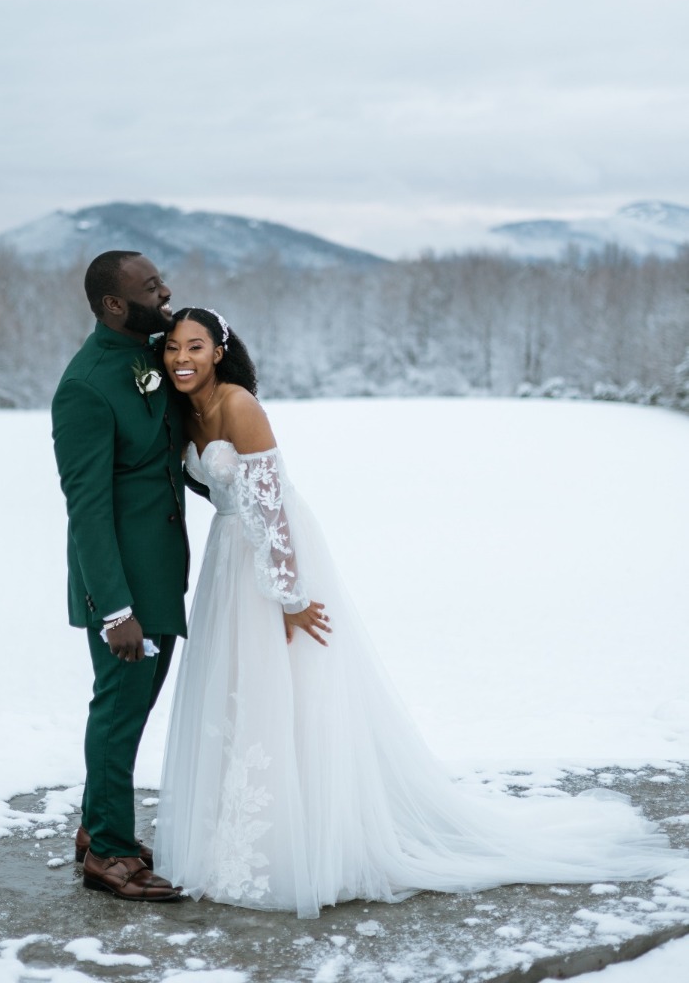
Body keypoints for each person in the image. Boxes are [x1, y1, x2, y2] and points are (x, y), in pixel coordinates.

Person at [154, 308, 684, 919]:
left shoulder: (241, 405)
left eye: (194, 346)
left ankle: (296, 845)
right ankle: (231, 837)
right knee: (237, 696)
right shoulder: (184, 406)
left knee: (285, 693)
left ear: (219, 350)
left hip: (270, 558)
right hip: (227, 558)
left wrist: (290, 597)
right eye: (172, 348)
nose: (181, 358)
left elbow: (270, 505)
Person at [51, 251, 200, 903]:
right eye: (149, 287)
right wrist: (114, 610)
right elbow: (86, 509)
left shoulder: (149, 355)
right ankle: (107, 855)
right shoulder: (84, 387)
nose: (165, 291)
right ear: (114, 304)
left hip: (162, 576)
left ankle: (96, 827)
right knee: (117, 712)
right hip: (123, 591)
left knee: (130, 713)